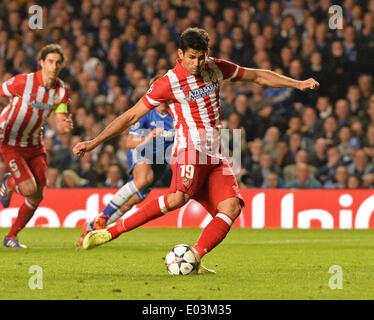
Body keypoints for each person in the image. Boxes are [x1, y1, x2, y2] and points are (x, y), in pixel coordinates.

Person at [73, 28, 319, 273]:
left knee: (231, 208)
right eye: (192, 57)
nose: (197, 63)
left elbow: (256, 77)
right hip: (190, 148)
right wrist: (94, 142)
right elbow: (129, 117)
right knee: (178, 197)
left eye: (201, 57)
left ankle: (194, 257)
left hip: (215, 153)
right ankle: (110, 231)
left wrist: (297, 84)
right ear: (180, 54)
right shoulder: (167, 83)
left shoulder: (216, 68)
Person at [77, 91, 174, 246]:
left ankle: (91, 228)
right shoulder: (147, 114)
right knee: (143, 179)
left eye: (166, 96)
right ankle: (103, 218)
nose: (163, 99)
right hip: (141, 151)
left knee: (132, 202)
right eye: (160, 97)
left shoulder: (174, 117)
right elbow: (129, 143)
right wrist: (149, 137)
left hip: (160, 162)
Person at [0, 44, 73, 248]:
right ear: (41, 62)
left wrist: (65, 126)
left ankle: (11, 237)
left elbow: (60, 121)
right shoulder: (23, 81)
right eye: (50, 61)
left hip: (35, 144)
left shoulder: (61, 91)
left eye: (58, 62)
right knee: (29, 188)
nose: (54, 66)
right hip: (11, 142)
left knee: (37, 194)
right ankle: (9, 183)